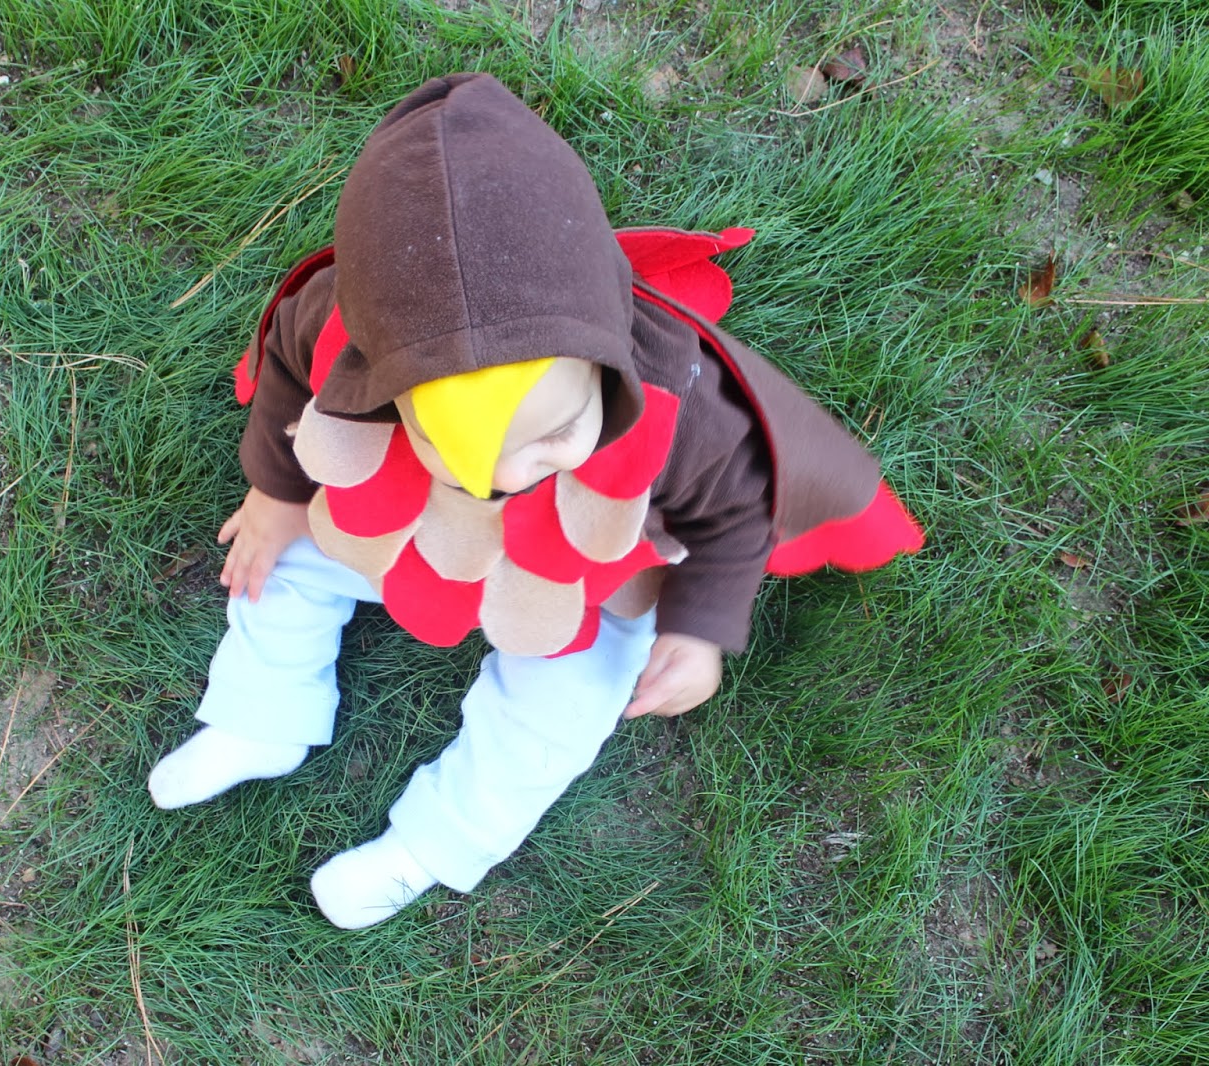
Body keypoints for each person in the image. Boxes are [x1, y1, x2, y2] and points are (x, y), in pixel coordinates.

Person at [148, 73, 923, 929]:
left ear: (603, 364)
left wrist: (698, 629)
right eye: (459, 446)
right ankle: (262, 713)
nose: (512, 474)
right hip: (419, 524)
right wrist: (276, 492)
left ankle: (433, 844)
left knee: (568, 701)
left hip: (586, 570)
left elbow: (739, 511)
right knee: (289, 552)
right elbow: (293, 365)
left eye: (554, 432)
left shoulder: (681, 408)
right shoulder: (344, 328)